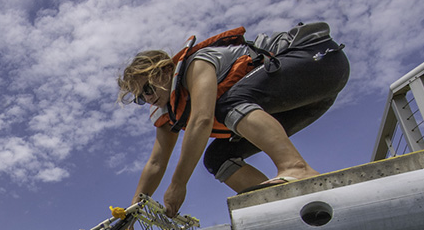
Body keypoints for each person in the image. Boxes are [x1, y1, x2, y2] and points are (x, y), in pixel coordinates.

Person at [117, 23, 350, 216]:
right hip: (304, 103)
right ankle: (276, 205)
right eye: (140, 98)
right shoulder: (170, 112)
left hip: (318, 61)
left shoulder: (197, 64)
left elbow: (202, 120)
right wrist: (133, 211)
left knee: (225, 104)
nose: (148, 98)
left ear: (166, 70)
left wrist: (178, 184)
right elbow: (156, 163)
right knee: (217, 157)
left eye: (147, 88)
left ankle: (295, 167)